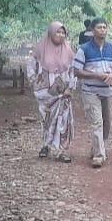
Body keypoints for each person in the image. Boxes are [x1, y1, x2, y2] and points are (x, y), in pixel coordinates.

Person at [73, 17, 112, 168]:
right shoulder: (84, 49)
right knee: (96, 122)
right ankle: (99, 155)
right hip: (90, 90)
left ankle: (97, 146)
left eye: (104, 27)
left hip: (108, 91)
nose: (102, 30)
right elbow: (77, 71)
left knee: (107, 123)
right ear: (92, 30)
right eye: (99, 27)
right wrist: (97, 75)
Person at [26, 22, 77, 163]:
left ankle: (61, 150)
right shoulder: (40, 49)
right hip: (45, 95)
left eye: (63, 33)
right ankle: (46, 145)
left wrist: (70, 87)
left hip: (63, 93)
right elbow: (31, 67)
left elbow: (73, 70)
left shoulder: (68, 50)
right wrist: (36, 83)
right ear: (50, 33)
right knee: (47, 119)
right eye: (57, 32)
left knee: (63, 120)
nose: (60, 35)